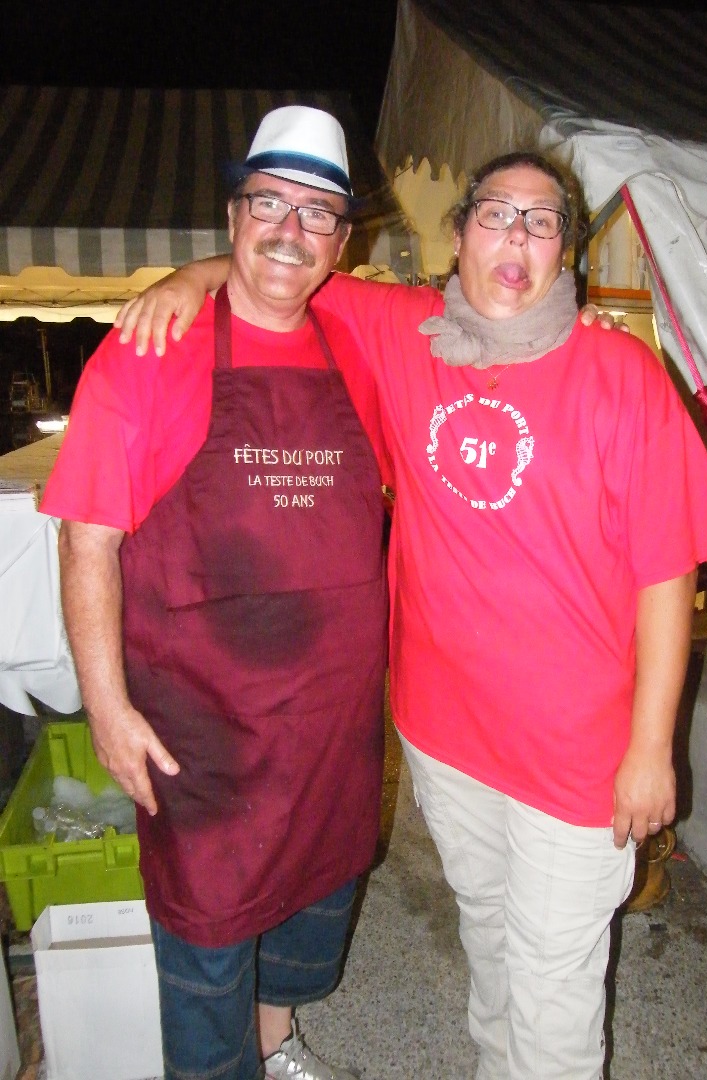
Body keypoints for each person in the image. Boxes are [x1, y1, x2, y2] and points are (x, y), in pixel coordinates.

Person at [116, 149, 707, 1079]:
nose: (516, 238)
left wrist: (652, 748)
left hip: (577, 750)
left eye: (541, 222)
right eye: (496, 215)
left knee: (554, 978)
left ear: (564, 251)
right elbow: (285, 265)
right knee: (488, 934)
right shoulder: (406, 331)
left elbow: (665, 575)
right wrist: (186, 279)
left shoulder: (620, 373)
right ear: (459, 235)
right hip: (446, 737)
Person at [40, 106, 393, 1080]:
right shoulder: (150, 350)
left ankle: (275, 1047)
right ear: (233, 216)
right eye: (268, 203)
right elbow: (86, 542)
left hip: (331, 727)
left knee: (314, 904)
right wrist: (107, 707)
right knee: (206, 946)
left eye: (317, 213)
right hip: (205, 734)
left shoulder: (361, 338)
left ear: (343, 243)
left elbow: (497, 314)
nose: (290, 230)